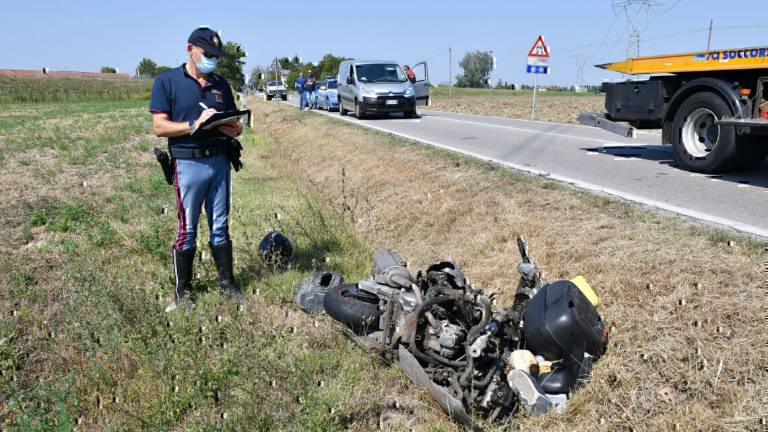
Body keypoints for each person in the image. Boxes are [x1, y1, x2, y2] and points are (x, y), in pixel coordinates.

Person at [149, 27, 245, 312]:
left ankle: (227, 283)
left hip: (218, 162)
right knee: (187, 229)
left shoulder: (220, 84)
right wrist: (193, 125)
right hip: (187, 163)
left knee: (220, 225)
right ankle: (183, 291)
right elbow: (159, 126)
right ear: (190, 49)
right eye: (208, 54)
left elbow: (237, 127)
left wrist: (223, 122)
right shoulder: (167, 81)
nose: (212, 60)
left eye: (216, 56)